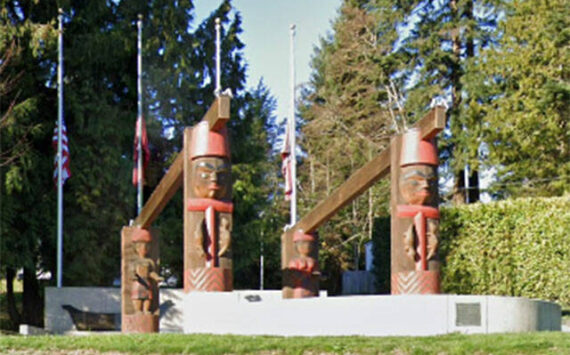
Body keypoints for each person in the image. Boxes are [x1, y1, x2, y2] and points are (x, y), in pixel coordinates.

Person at [130, 228, 163, 314]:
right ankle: (138, 310)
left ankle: (146, 309)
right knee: (137, 297)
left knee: (148, 297)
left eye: (146, 246)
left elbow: (151, 272)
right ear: (136, 248)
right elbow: (132, 272)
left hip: (147, 282)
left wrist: (157, 278)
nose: (143, 248)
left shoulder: (149, 262)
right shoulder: (135, 262)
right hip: (138, 282)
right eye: (141, 246)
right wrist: (134, 276)